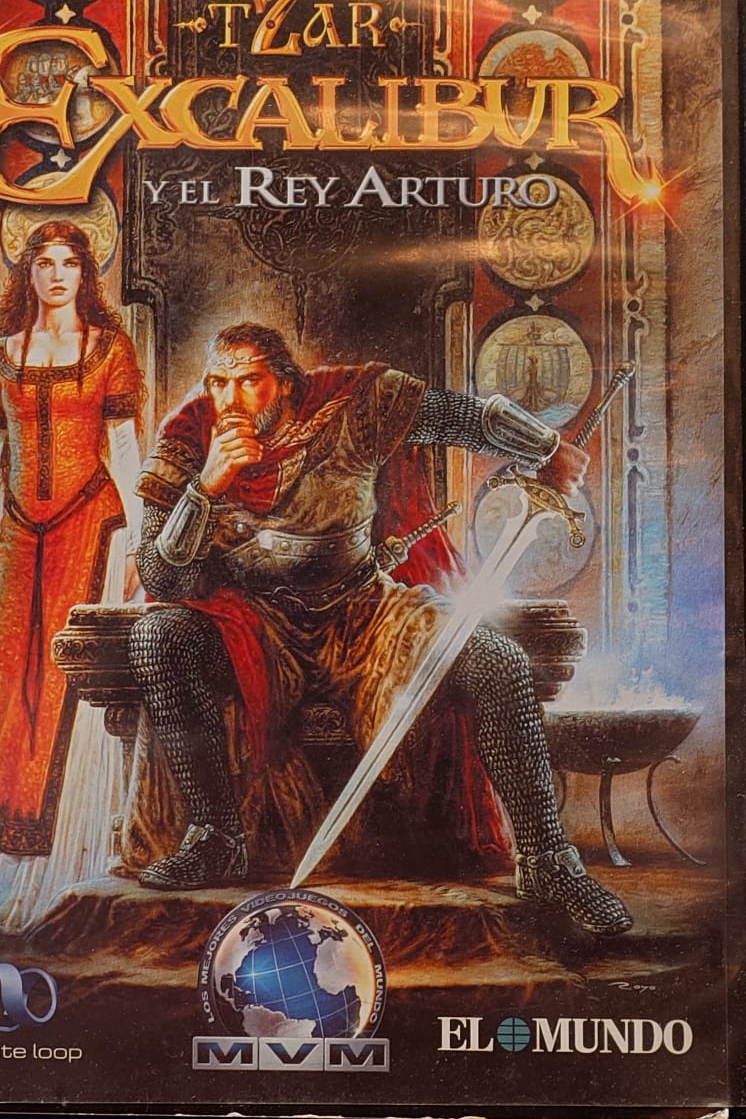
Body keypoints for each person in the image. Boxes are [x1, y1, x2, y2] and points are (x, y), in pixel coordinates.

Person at [129, 322, 632, 939]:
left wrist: (547, 448)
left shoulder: (350, 405)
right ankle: (215, 838)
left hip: (362, 611)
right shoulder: (188, 438)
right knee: (159, 637)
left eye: (249, 381)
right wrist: (206, 487)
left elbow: (457, 417)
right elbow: (162, 576)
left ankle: (549, 862)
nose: (229, 399)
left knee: (494, 658)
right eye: (218, 382)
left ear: (284, 383)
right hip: (255, 621)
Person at [0, 221, 143, 929]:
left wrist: (140, 544)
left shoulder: (110, 350)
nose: (57, 275)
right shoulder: (2, 354)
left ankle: (68, 872)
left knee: (68, 687)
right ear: (28, 274)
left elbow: (125, 449)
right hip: (21, 533)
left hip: (94, 529)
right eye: (44, 263)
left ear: (86, 275)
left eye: (69, 264)